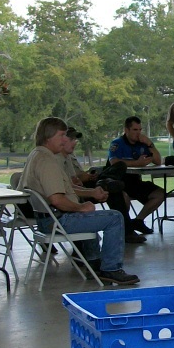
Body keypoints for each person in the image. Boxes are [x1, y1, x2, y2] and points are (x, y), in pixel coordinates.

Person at [20, 117, 140, 286]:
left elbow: (64, 188)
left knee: (93, 216)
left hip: (46, 219)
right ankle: (111, 268)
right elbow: (57, 199)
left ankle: (94, 263)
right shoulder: (48, 162)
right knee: (115, 217)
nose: (65, 140)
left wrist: (88, 195)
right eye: (62, 135)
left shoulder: (37, 155)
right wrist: (80, 207)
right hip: (57, 220)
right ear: (48, 137)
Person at [107, 116, 167, 237]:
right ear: (126, 130)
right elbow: (114, 162)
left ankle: (138, 220)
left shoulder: (142, 144)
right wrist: (137, 163)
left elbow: (158, 161)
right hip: (119, 182)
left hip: (135, 181)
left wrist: (150, 144)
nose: (138, 133)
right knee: (123, 199)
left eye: (140, 129)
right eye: (135, 130)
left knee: (160, 194)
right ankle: (126, 228)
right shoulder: (117, 144)